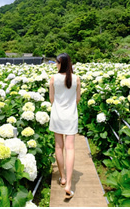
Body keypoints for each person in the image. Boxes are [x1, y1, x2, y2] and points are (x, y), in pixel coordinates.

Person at [49, 53, 80, 199]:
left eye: (57, 62)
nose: (56, 64)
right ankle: (68, 184)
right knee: (70, 148)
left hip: (57, 115)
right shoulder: (76, 79)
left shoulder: (53, 78)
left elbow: (51, 99)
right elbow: (77, 99)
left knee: (58, 147)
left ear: (61, 63)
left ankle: (62, 177)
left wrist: (59, 107)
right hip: (71, 116)